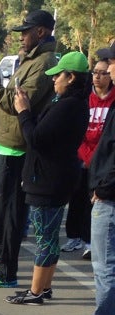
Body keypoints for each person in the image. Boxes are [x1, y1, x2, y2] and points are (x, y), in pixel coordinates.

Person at [0, 9, 57, 288]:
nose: (21, 38)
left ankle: (7, 273)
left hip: (18, 147)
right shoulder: (30, 59)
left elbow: (18, 104)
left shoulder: (44, 62)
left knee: (11, 214)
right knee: (3, 211)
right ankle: (3, 264)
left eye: (25, 32)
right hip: (8, 143)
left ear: (41, 32)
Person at [5, 51, 89, 305]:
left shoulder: (68, 106)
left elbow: (36, 138)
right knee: (49, 237)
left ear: (71, 77)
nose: (54, 81)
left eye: (58, 76)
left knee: (45, 237)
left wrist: (23, 112)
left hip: (48, 181)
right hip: (54, 179)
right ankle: (44, 286)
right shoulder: (70, 103)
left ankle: (36, 290)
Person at [59, 43, 115, 315]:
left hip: (108, 193)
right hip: (100, 181)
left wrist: (103, 188)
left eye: (109, 64)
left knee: (106, 266)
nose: (105, 71)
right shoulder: (92, 100)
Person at [62, 57, 115, 258]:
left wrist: (96, 159)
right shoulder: (86, 99)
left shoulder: (112, 101)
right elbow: (77, 130)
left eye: (103, 73)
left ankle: (90, 241)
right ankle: (74, 236)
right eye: (95, 72)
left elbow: (108, 138)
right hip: (82, 158)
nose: (98, 77)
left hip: (102, 161)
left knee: (95, 203)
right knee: (77, 198)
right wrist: (85, 156)